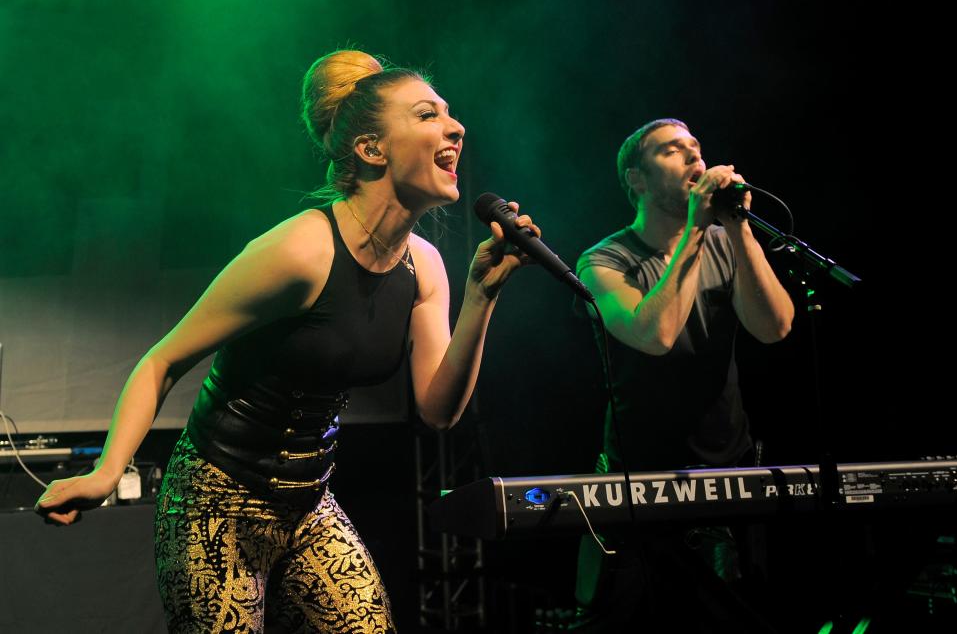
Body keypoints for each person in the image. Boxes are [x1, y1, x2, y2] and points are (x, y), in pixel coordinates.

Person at [34, 49, 540, 633]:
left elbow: (438, 409)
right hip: (215, 502)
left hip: (309, 504)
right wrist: (106, 472)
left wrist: (481, 296)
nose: (455, 127)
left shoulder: (424, 267)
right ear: (370, 149)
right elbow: (163, 360)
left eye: (449, 115)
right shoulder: (300, 251)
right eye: (427, 115)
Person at [573, 118, 794, 630]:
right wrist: (697, 228)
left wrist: (736, 229)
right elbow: (656, 335)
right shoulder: (603, 261)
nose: (694, 158)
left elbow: (775, 327)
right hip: (640, 489)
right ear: (638, 179)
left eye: (696, 147)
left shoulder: (724, 242)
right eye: (673, 151)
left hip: (728, 471)